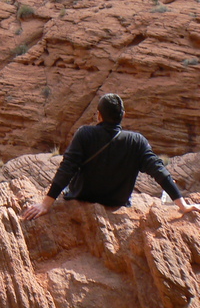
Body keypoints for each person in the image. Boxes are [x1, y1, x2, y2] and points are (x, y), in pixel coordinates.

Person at [22, 93, 198, 220]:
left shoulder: (85, 134)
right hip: (117, 200)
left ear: (99, 115)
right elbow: (159, 170)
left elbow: (67, 168)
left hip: (82, 195)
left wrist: (46, 204)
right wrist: (182, 205)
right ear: (123, 116)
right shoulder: (136, 141)